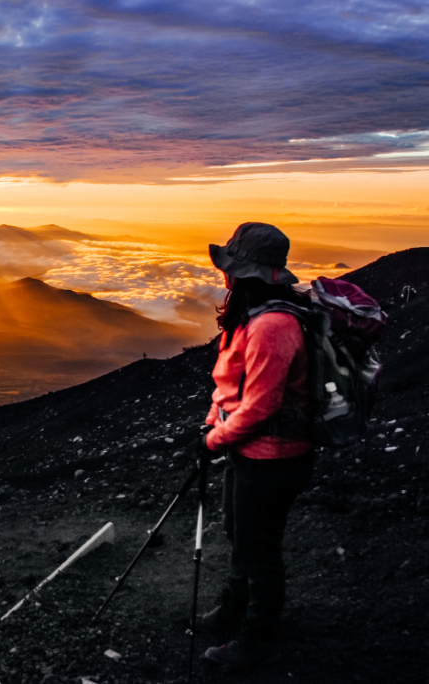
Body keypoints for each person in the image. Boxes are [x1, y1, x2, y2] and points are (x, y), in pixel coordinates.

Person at [196, 222, 315, 670]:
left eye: (232, 266)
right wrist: (212, 426)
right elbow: (231, 387)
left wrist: (213, 440)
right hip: (249, 452)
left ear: (248, 273)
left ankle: (258, 638)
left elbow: (261, 407)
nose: (225, 274)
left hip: (273, 459)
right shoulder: (250, 313)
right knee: (240, 536)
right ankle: (235, 609)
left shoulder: (273, 325)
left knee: (257, 547)